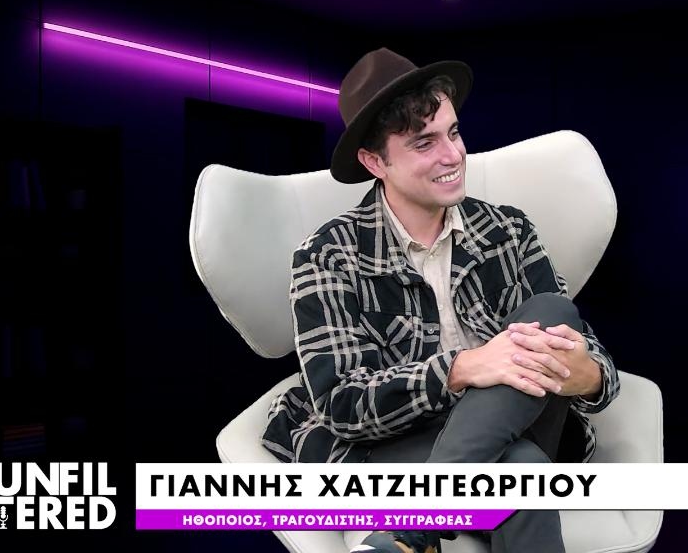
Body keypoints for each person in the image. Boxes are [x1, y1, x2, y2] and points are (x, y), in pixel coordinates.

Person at [262, 47, 620, 553]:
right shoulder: (327, 255)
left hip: (522, 423)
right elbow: (343, 405)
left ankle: (415, 526)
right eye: (424, 143)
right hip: (396, 444)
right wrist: (461, 369)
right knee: (523, 472)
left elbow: (593, 360)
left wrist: (589, 377)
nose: (452, 155)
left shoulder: (508, 231)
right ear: (374, 161)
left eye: (453, 133)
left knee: (553, 312)